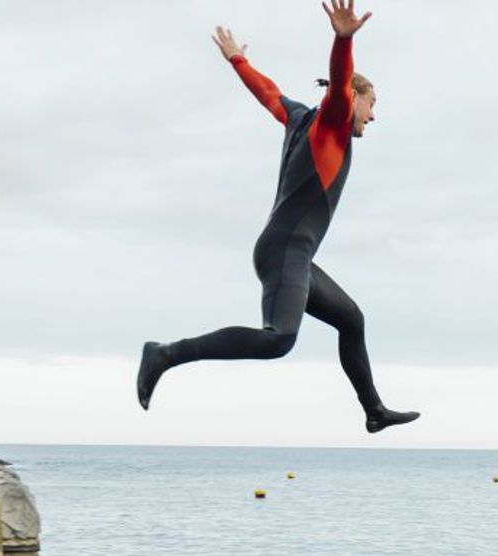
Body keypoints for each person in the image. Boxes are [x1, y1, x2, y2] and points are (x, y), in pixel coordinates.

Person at [137, 0, 419, 434]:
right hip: (286, 249)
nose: (374, 114)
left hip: (292, 252)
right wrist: (342, 41)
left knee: (351, 320)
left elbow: (268, 93)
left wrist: (238, 60)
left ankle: (374, 411)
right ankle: (164, 353)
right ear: (354, 98)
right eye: (372, 103)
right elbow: (340, 84)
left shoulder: (300, 118)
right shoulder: (333, 123)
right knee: (277, 340)